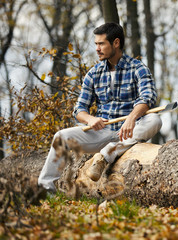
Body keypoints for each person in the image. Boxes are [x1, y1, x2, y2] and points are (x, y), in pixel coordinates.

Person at [38, 22, 162, 193]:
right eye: (96, 44)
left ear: (116, 43)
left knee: (155, 119)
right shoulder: (93, 73)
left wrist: (132, 118)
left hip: (131, 131)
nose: (97, 48)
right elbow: (79, 109)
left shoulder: (138, 68)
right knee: (61, 137)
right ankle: (45, 190)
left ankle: (106, 155)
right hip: (102, 132)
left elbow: (148, 97)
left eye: (101, 43)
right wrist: (91, 119)